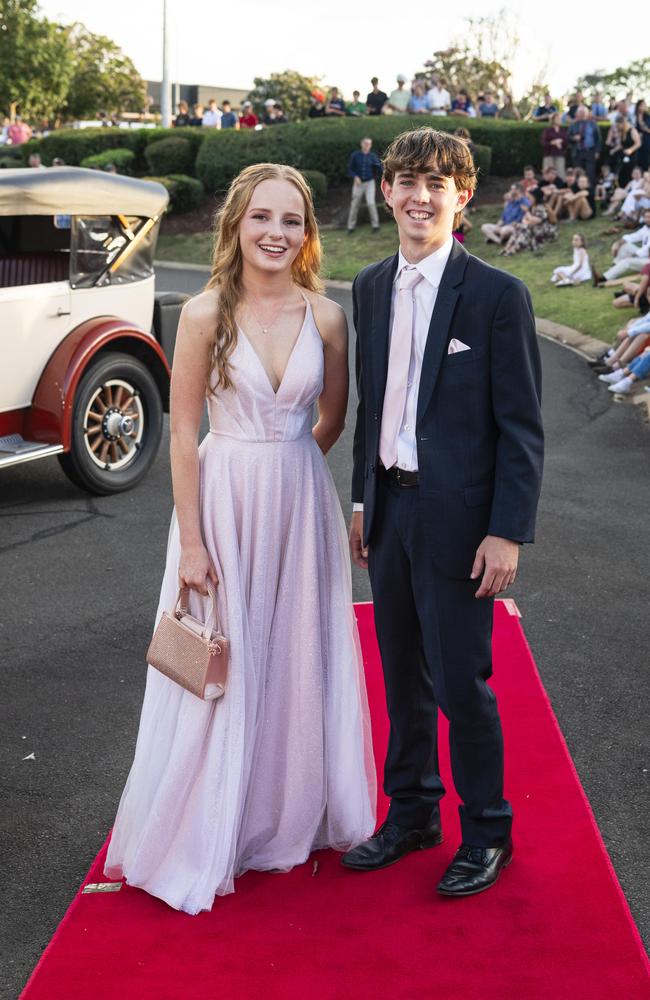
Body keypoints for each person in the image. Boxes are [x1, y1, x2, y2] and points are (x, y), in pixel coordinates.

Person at [104, 162, 377, 914]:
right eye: (263, 218)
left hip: (298, 504)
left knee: (293, 656)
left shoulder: (326, 316)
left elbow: (332, 419)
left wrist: (285, 468)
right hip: (220, 507)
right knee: (219, 664)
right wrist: (192, 542)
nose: (276, 234)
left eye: (292, 221)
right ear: (237, 224)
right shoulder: (202, 314)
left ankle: (280, 814)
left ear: (307, 233)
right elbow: (184, 433)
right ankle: (204, 824)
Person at [343, 126, 543, 898]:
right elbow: (374, 406)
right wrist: (363, 496)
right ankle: (414, 812)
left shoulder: (497, 295)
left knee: (463, 681)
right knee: (401, 674)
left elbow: (521, 427)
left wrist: (506, 530)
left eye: (439, 182)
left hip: (460, 522)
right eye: (408, 180)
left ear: (463, 195)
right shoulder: (367, 287)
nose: (421, 196)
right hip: (389, 509)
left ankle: (488, 830)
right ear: (386, 190)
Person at [597, 207, 650, 281]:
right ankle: (615, 266)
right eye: (646, 217)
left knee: (626, 261)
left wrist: (634, 255)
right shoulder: (646, 229)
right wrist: (617, 243)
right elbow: (631, 237)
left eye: (649, 217)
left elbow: (647, 250)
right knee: (624, 245)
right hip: (644, 258)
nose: (647, 219)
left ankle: (604, 278)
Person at [346, 136, 382, 233]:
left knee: (371, 203)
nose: (367, 145)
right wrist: (355, 176)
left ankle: (376, 226)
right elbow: (349, 169)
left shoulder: (372, 156)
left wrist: (381, 176)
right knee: (354, 204)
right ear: (362, 144)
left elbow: (379, 168)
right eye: (366, 143)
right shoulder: (355, 155)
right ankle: (351, 227)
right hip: (358, 183)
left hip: (370, 183)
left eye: (369, 144)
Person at [567, 106, 601, 187]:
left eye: (583, 113)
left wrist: (597, 151)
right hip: (577, 152)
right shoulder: (573, 125)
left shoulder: (593, 124)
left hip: (590, 152)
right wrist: (574, 138)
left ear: (587, 114)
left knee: (590, 173)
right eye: (580, 113)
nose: (582, 115)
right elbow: (568, 137)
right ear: (577, 114)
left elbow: (598, 139)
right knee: (577, 173)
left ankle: (590, 192)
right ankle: (577, 190)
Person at [541, 112, 568, 177]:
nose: (559, 120)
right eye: (557, 118)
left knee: (560, 174)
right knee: (548, 174)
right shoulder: (547, 130)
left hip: (559, 155)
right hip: (549, 155)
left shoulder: (563, 131)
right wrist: (553, 142)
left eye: (560, 118)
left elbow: (566, 142)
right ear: (553, 120)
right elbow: (543, 142)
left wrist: (560, 142)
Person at [634, 99, 650, 171]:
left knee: (645, 160)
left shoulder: (648, 117)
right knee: (636, 160)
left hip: (646, 141)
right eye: (641, 105)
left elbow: (647, 129)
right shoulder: (634, 117)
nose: (643, 107)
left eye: (644, 105)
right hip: (635, 142)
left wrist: (645, 128)